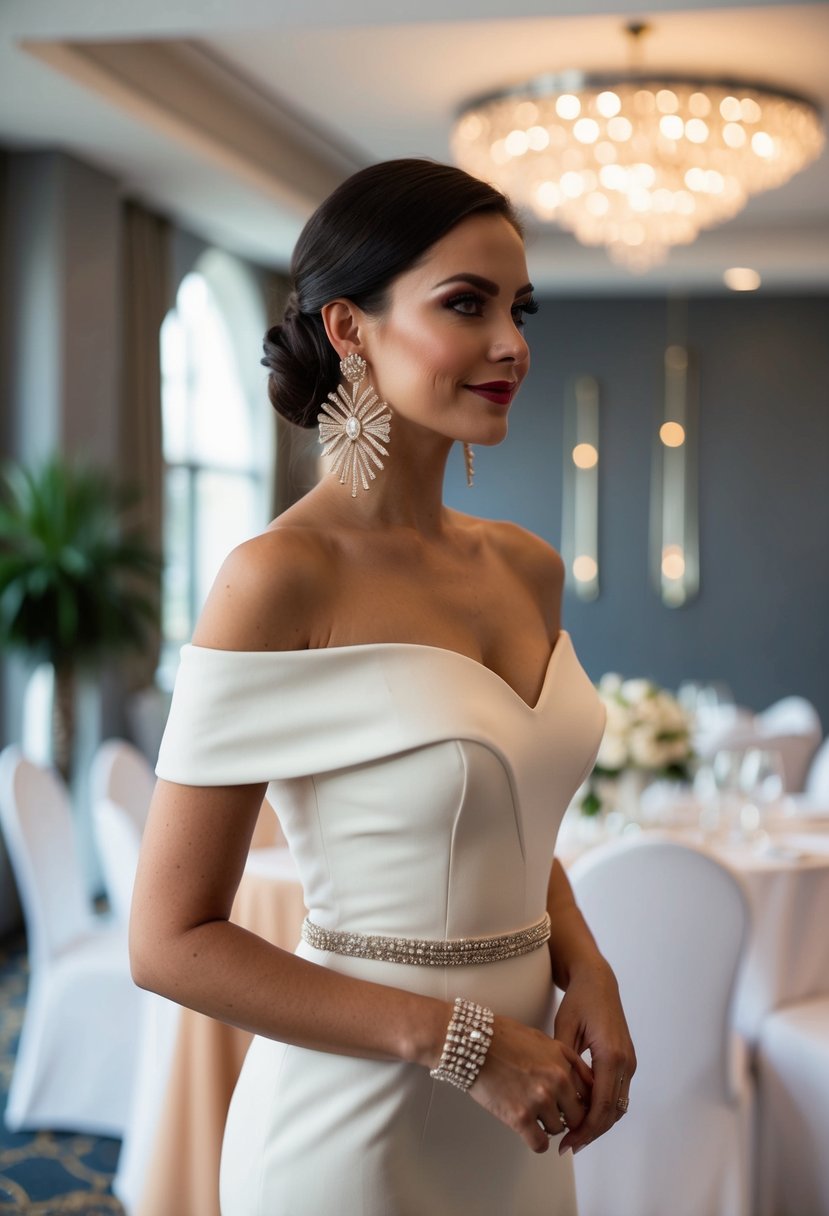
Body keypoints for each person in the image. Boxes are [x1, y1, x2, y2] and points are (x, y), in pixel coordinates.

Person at [130, 158, 636, 1216]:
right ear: (349, 328)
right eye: (467, 304)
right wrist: (461, 1043)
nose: (513, 344)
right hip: (350, 1126)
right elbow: (168, 941)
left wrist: (586, 965)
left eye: (517, 307)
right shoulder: (276, 580)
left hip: (523, 1115)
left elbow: (506, 825)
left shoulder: (527, 568)